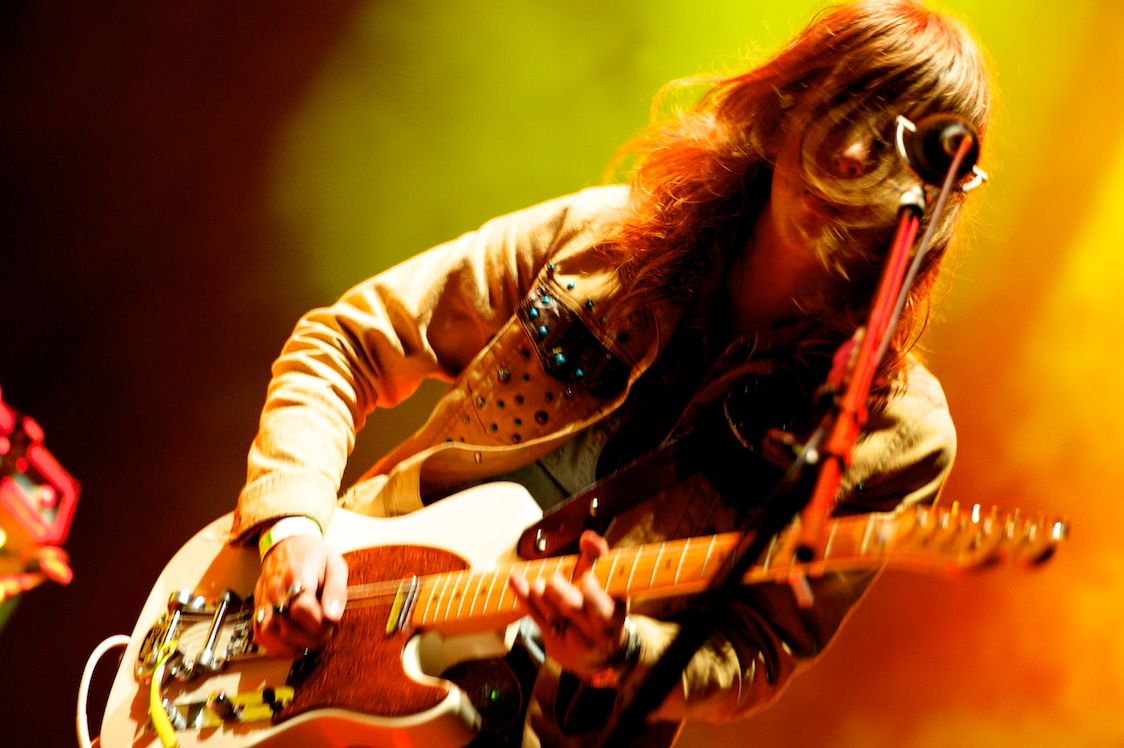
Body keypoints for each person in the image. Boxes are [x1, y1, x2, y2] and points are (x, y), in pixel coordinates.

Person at [230, 1, 991, 745]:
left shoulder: (896, 427)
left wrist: (621, 649)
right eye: (841, 110)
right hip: (325, 633)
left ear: (935, 193)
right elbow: (346, 342)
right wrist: (291, 528)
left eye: (892, 144)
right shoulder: (606, 235)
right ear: (788, 107)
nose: (851, 156)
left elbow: (757, 649)